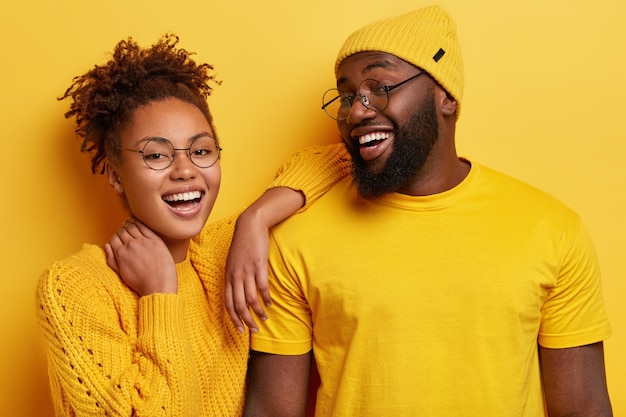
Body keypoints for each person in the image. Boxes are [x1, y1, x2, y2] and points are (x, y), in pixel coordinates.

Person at [238, 6, 613, 416]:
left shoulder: (552, 230)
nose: (358, 111)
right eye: (347, 96)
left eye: (379, 86)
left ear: (446, 96)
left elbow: (585, 410)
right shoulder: (295, 240)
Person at [35, 34, 350, 417]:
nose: (185, 171)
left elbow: (340, 158)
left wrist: (256, 218)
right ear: (115, 175)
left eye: (201, 151)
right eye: (157, 155)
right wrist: (159, 293)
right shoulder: (74, 287)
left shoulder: (222, 253)